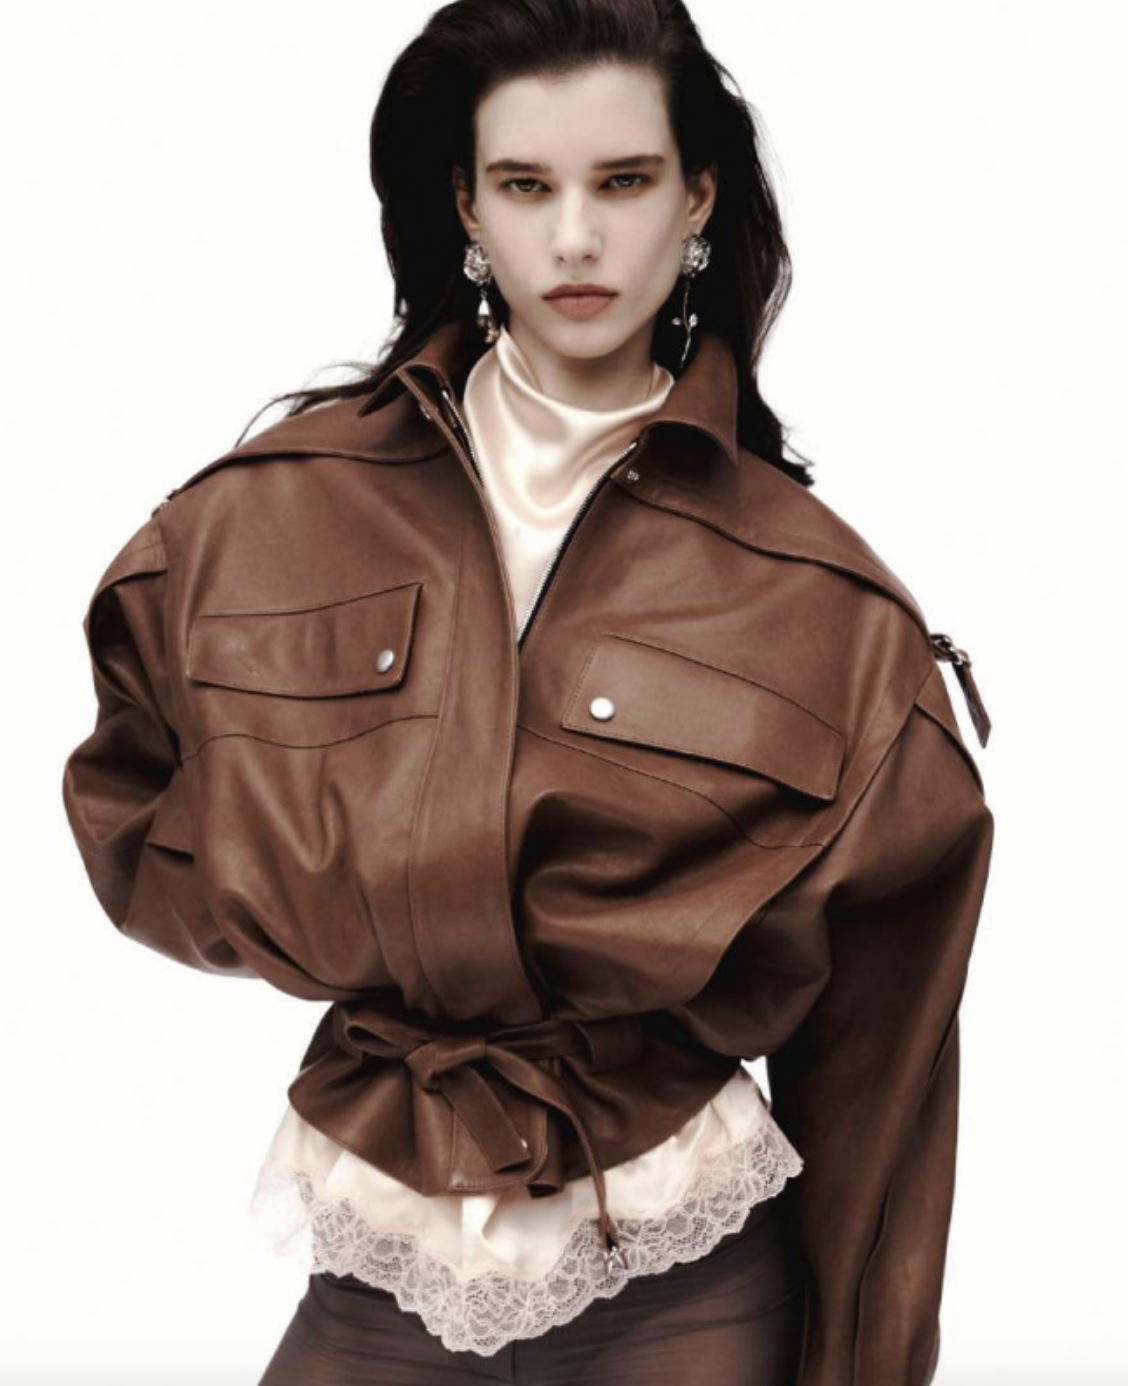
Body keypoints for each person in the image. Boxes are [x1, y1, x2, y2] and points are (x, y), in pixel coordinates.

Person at [60, 2, 995, 1383]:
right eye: (524, 185)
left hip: (687, 1296)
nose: (574, 238)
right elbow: (137, 800)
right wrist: (344, 912)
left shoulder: (826, 606)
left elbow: (882, 1070)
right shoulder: (266, 514)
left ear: (697, 199)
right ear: (465, 204)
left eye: (623, 181)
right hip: (377, 1273)